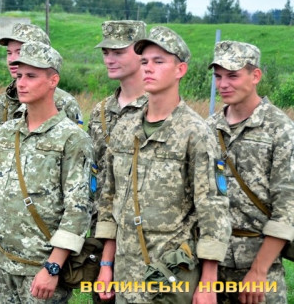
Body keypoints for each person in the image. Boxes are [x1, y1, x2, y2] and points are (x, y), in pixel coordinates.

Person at [95, 26, 231, 303]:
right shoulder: (125, 128)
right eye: (144, 61)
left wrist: (208, 283)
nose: (148, 68)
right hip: (125, 272)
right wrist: (106, 265)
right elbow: (109, 200)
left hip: (170, 273)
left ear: (180, 70)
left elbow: (212, 210)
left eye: (158, 61)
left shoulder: (195, 132)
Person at [0, 41, 93, 303]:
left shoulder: (72, 138)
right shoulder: (7, 132)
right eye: (19, 76)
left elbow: (77, 210)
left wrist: (53, 267)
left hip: (41, 269)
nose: (21, 83)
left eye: (31, 76)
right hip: (3, 265)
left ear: (53, 81)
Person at [206, 41, 294, 304]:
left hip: (259, 267)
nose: (223, 84)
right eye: (218, 76)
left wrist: (259, 270)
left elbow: (287, 206)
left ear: (255, 76)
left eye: (232, 76)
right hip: (211, 265)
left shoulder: (280, 129)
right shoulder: (209, 127)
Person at [88, 20, 147, 222]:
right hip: (99, 224)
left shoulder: (156, 110)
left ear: (141, 53)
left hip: (139, 224)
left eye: (118, 52)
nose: (109, 60)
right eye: (106, 53)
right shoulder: (100, 111)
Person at [0, 23, 83, 128]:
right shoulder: (1, 103)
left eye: (20, 52)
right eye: (9, 53)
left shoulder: (64, 103)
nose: (11, 59)